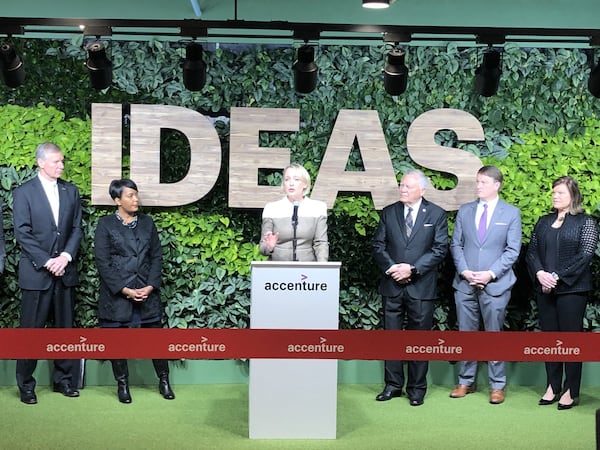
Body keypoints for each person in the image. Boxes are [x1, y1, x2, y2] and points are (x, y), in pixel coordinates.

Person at [13, 142, 83, 404]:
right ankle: (26, 386)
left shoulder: (71, 191)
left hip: (65, 272)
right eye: (56, 161)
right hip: (36, 275)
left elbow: (77, 228)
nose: (61, 166)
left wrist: (64, 257)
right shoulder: (24, 192)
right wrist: (47, 261)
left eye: (62, 161)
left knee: (64, 330)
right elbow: (22, 232)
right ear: (41, 163)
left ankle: (64, 381)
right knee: (30, 332)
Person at [94, 179, 175, 404]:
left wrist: (150, 286)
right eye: (130, 195)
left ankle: (164, 381)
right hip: (118, 294)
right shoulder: (105, 224)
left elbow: (156, 257)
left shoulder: (147, 223)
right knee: (117, 340)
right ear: (117, 200)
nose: (136, 199)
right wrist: (126, 290)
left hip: (147, 291)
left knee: (155, 339)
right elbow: (103, 262)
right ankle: (122, 384)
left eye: (136, 194)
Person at [372, 169, 448, 406]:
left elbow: (439, 249)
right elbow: (378, 246)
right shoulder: (389, 212)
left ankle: (416, 388)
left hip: (421, 287)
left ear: (422, 190)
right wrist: (394, 269)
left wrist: (412, 269)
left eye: (408, 186)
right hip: (392, 286)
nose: (403, 189)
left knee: (419, 339)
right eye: (401, 185)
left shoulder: (436, 214)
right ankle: (393, 385)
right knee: (391, 339)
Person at [449, 165, 521, 405]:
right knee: (466, 335)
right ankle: (466, 381)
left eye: (483, 182)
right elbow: (456, 245)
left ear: (496, 185)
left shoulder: (511, 213)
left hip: (496, 285)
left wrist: (490, 274)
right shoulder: (465, 211)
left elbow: (512, 251)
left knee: (494, 336)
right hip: (465, 283)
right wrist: (465, 271)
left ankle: (497, 385)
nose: (478, 186)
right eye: (477, 182)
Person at [526, 176, 599, 410]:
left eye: (561, 193)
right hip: (544, 289)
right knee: (549, 340)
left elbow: (585, 255)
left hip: (572, 290)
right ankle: (552, 386)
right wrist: (540, 274)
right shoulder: (543, 221)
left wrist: (555, 277)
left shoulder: (585, 222)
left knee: (570, 341)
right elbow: (531, 253)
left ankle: (570, 390)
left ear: (573, 196)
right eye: (554, 192)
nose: (556, 196)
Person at [259, 163, 328, 262]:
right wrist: (269, 247)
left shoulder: (318, 208)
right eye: (287, 179)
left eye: (296, 179)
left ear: (305, 184)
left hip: (307, 271)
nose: (291, 183)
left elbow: (321, 243)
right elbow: (263, 248)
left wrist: (323, 268)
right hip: (278, 271)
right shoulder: (271, 208)